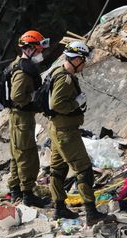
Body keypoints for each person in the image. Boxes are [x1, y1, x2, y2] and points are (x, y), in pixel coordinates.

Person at [46, 41, 108, 225]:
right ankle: (91, 213)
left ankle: (59, 208)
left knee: (58, 169)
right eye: (83, 60)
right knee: (84, 169)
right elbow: (56, 104)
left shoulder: (56, 72)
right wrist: (76, 103)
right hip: (66, 132)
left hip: (55, 129)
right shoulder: (65, 79)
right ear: (77, 59)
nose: (84, 64)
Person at [7, 30, 50, 207]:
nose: (41, 54)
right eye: (39, 50)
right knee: (27, 155)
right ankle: (27, 194)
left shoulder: (17, 65)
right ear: (30, 49)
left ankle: (16, 190)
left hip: (19, 118)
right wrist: (34, 97)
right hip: (21, 118)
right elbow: (17, 96)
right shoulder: (23, 71)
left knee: (17, 154)